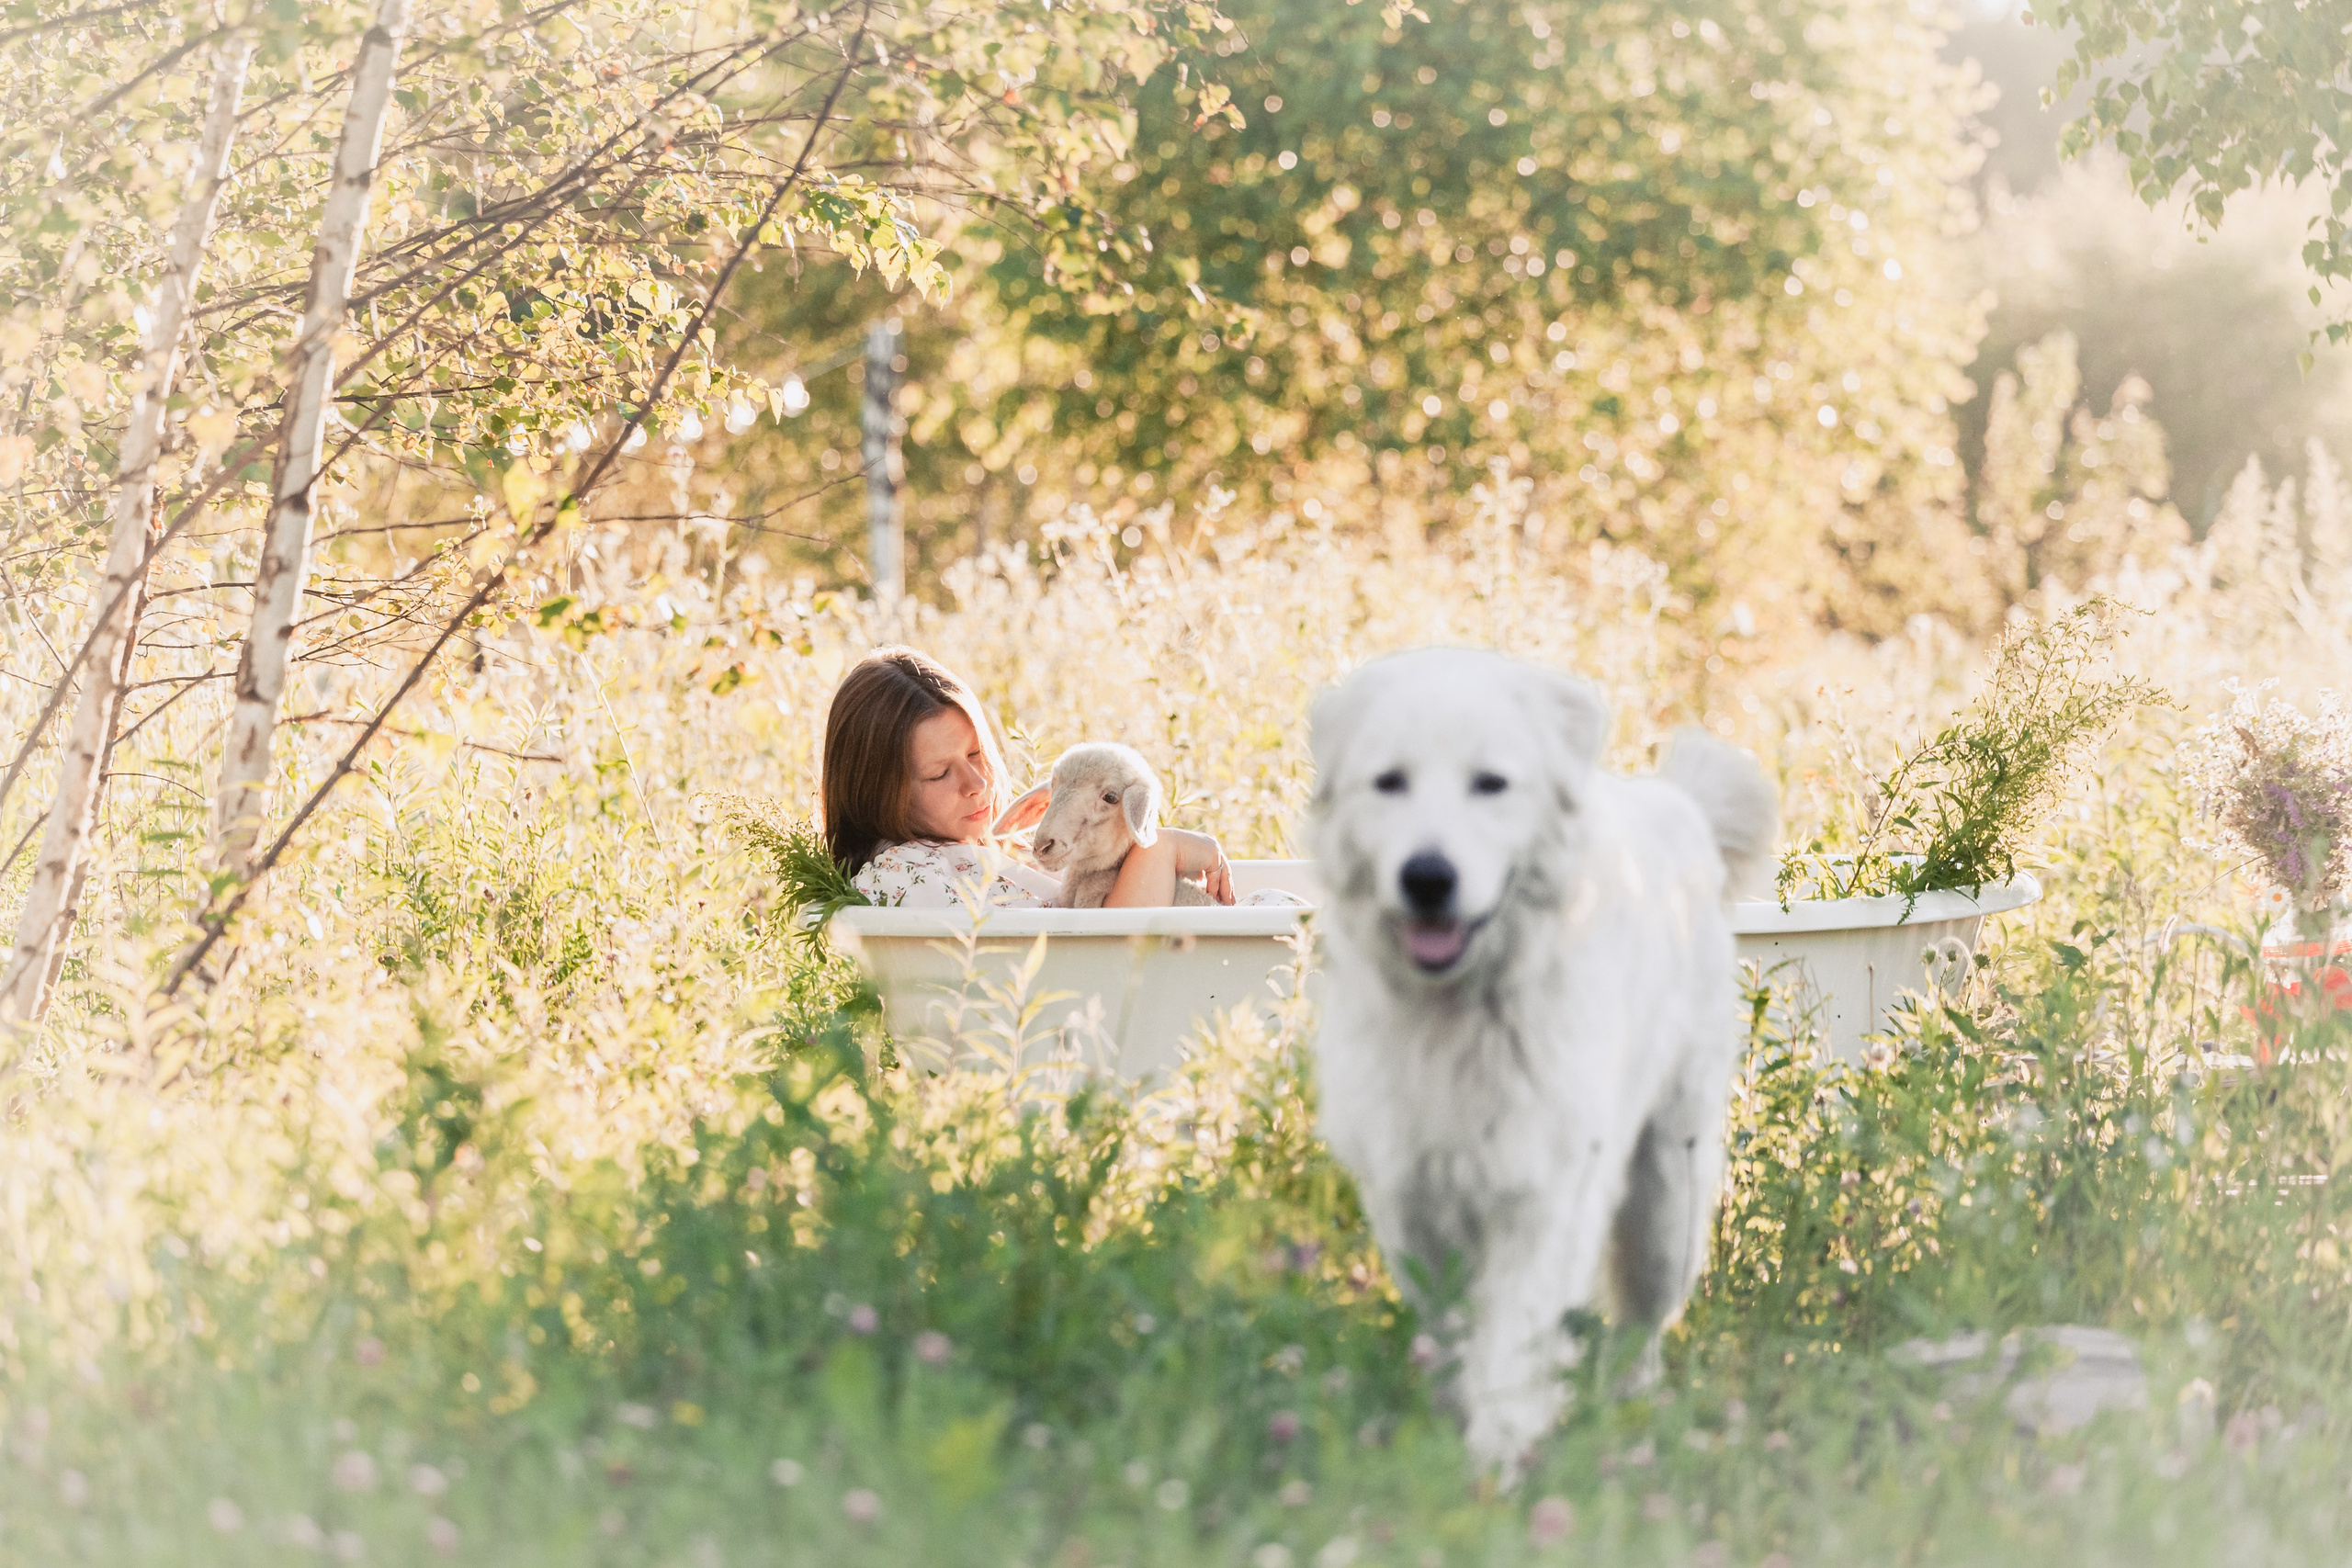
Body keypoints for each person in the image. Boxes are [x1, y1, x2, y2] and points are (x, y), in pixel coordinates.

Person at [821, 647, 1235, 909]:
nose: (977, 783)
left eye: (975, 753)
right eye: (940, 773)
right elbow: (1109, 959)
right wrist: (1161, 850)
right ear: (877, 794)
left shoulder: (991, 854)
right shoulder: (906, 875)